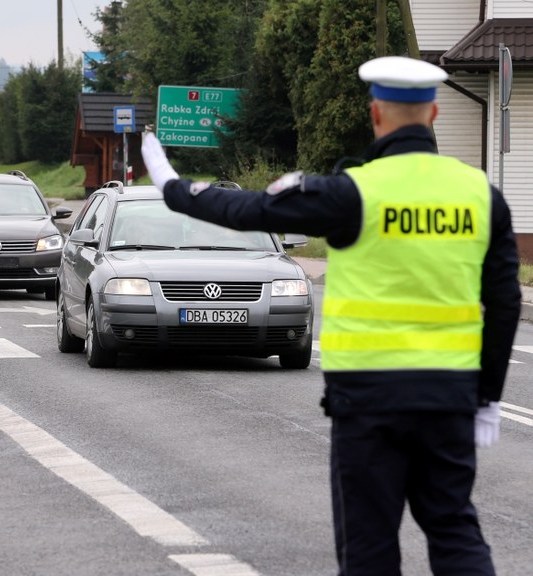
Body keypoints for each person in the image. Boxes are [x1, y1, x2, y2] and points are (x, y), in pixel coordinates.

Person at [142, 56, 521, 576]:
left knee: (369, 544)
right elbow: (505, 303)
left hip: (369, 402)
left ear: (376, 116)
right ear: (433, 114)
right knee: (455, 529)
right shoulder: (482, 195)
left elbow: (248, 209)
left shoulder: (352, 192)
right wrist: (489, 399)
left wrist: (172, 186)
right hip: (449, 397)